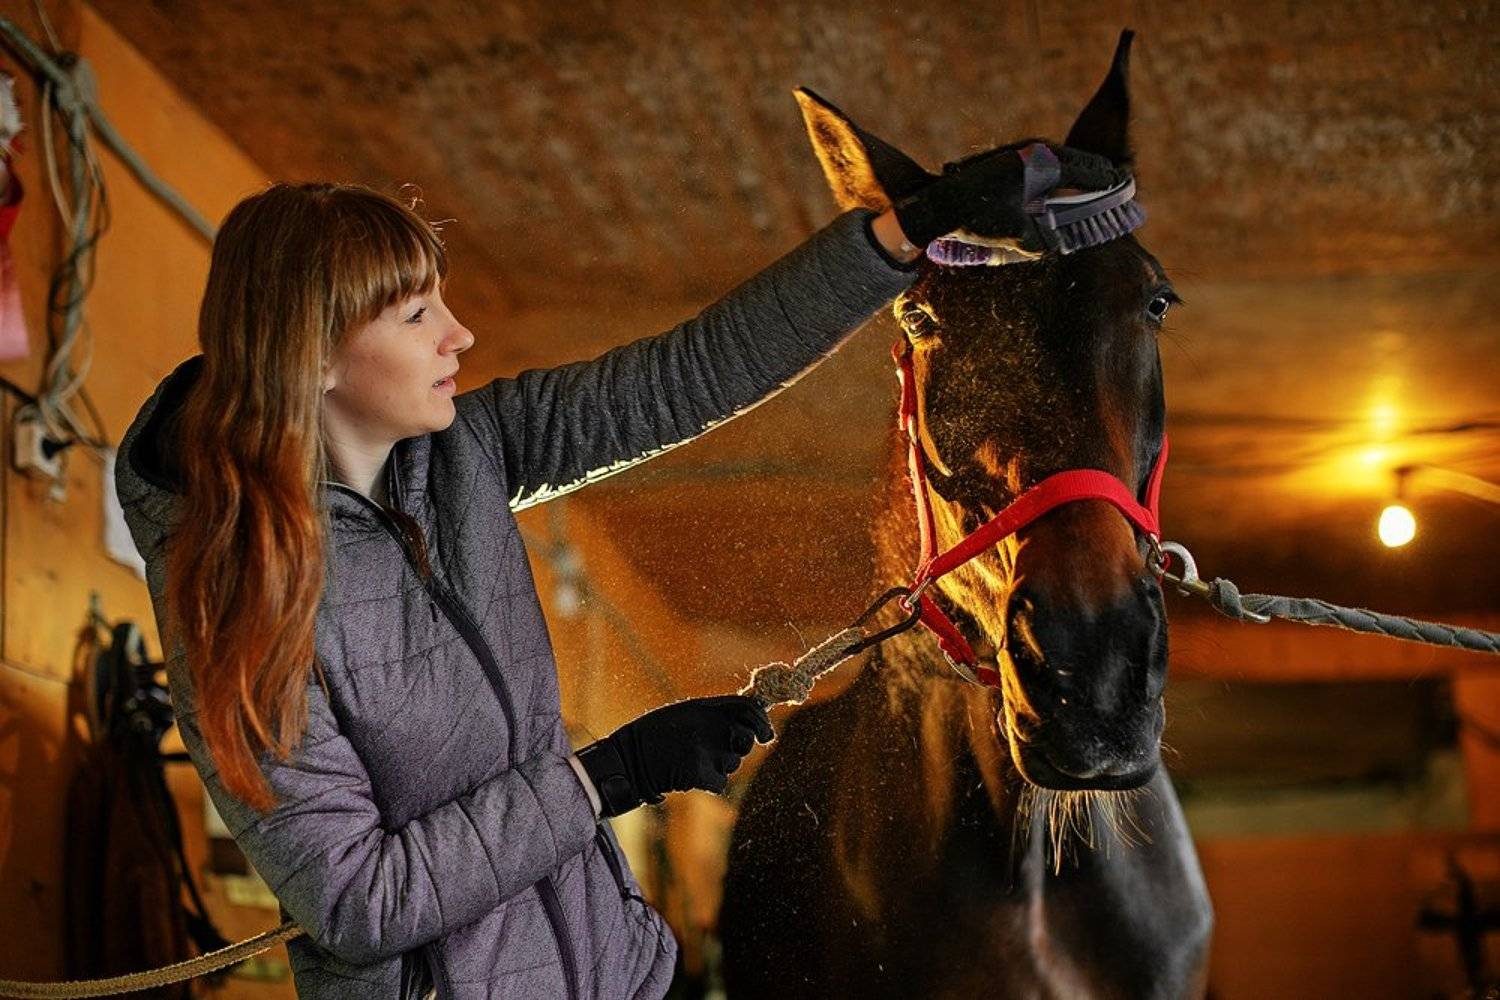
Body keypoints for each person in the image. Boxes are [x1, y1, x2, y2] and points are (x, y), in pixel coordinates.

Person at [114, 141, 1122, 999]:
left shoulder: (467, 454)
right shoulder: (235, 602)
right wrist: (611, 776)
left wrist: (900, 235)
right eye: (416, 314)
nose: (459, 333)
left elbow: (692, 375)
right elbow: (360, 901)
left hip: (625, 975)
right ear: (314, 355)